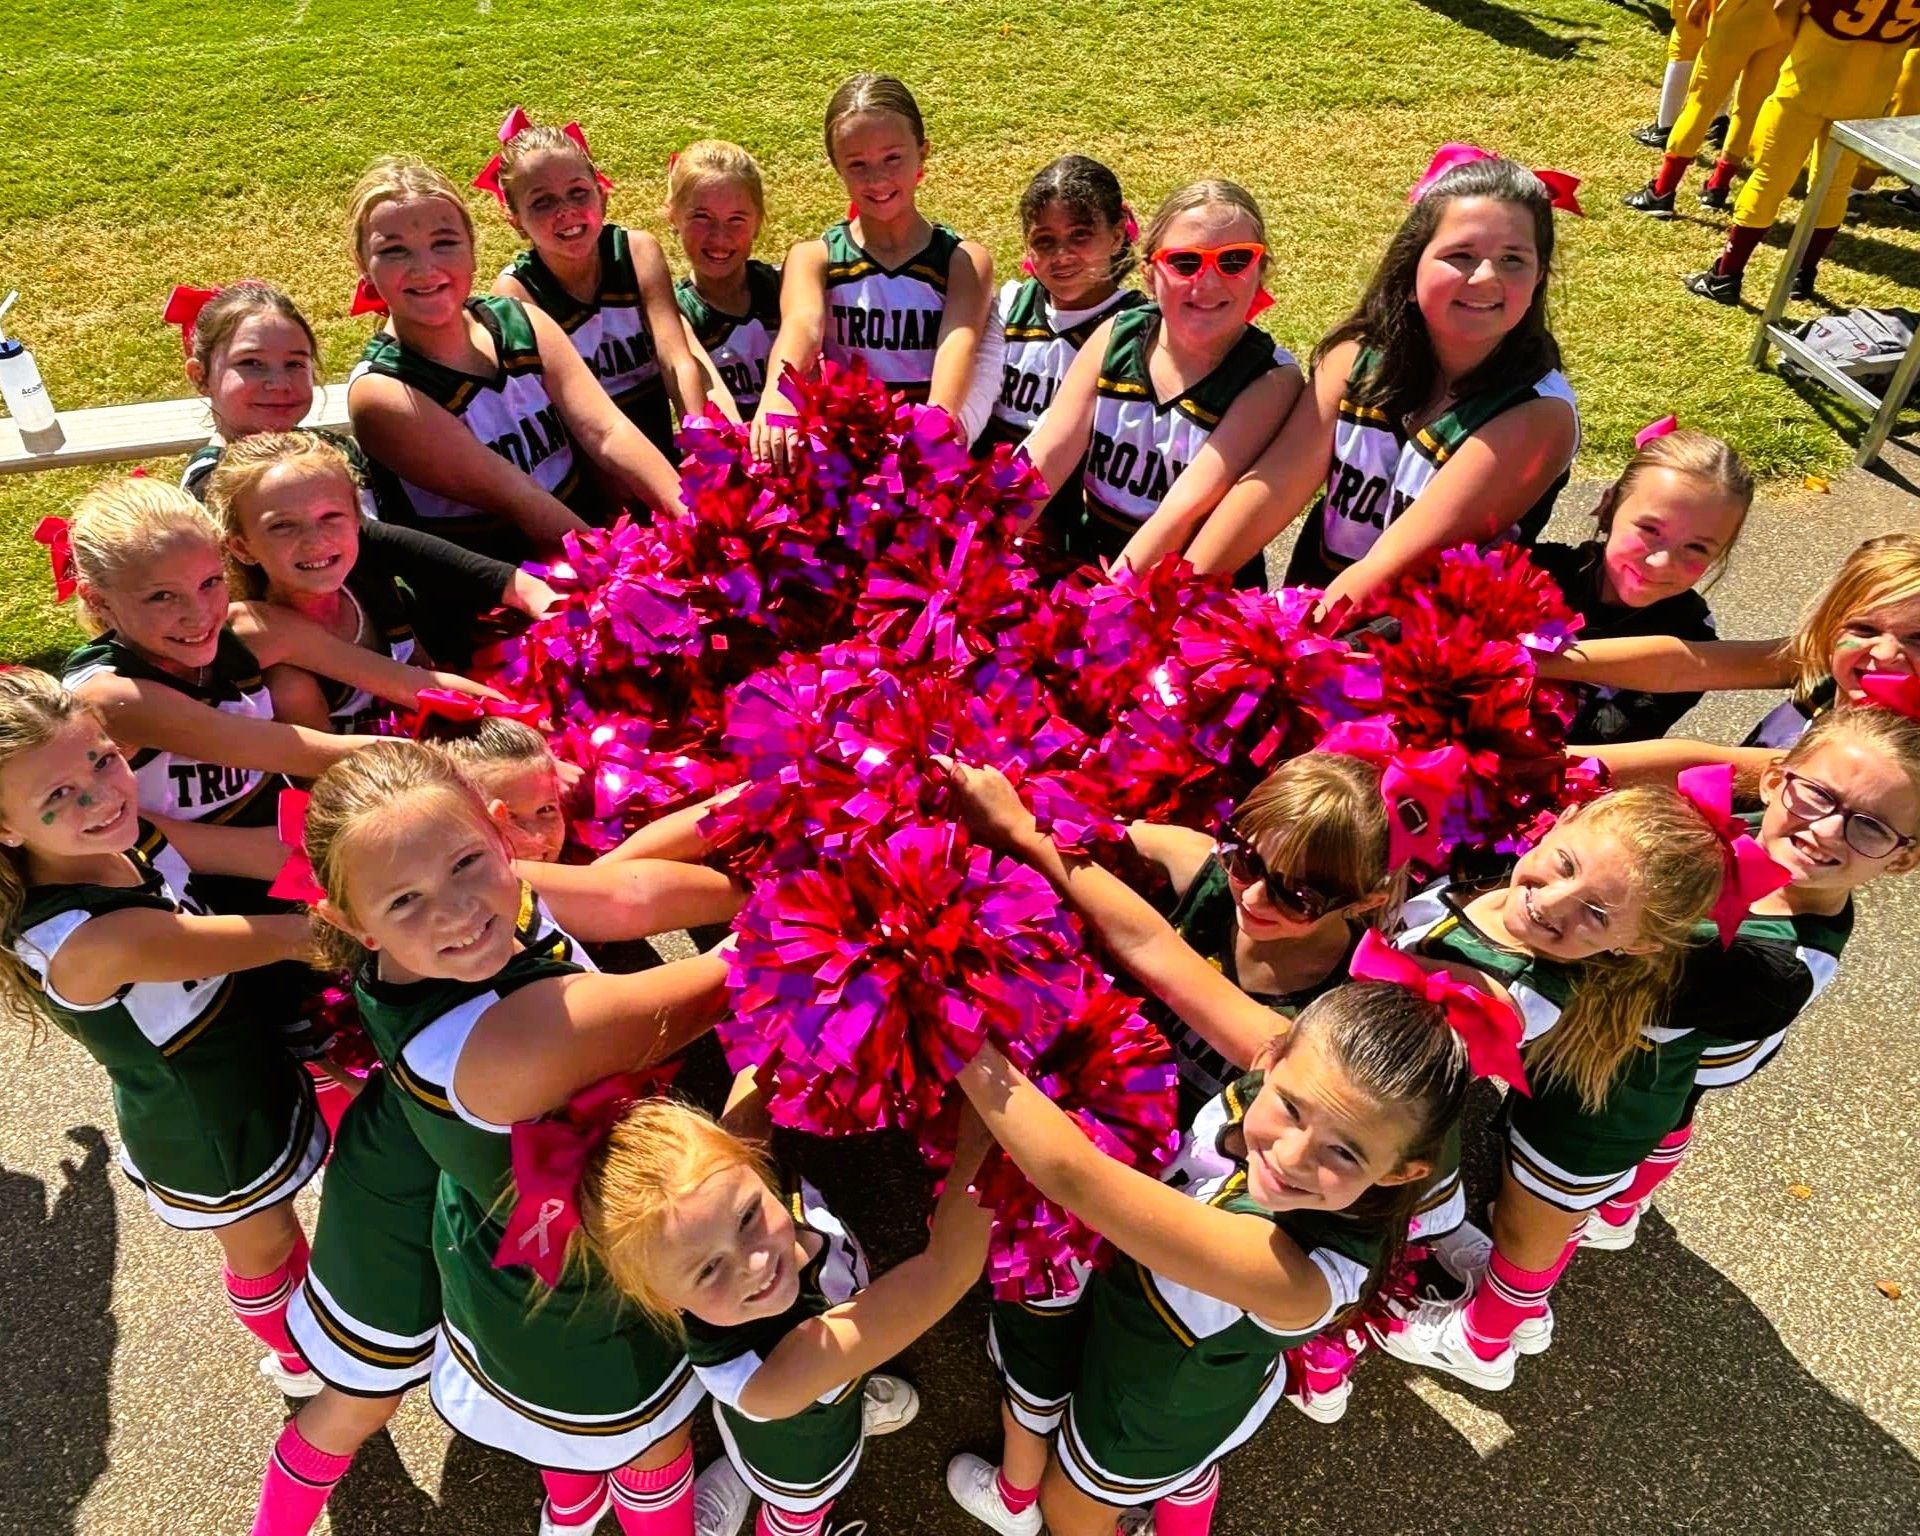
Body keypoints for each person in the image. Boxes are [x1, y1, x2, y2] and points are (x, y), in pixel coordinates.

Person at [943, 754, 1476, 1536]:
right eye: (1245, 861)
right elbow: (1151, 946)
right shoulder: (1316, 1067)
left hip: (1149, 1406)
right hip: (1189, 1343)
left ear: (1404, 1171)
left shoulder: (1293, 1267)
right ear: (1274, 1057)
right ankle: (1187, 1498)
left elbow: (1074, 1177)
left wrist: (951, 1027)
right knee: (1180, 1447)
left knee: (1074, 1505)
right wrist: (1022, 829)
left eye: (1344, 1155)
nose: (1295, 1154)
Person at [298, 739, 744, 1535]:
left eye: (468, 863)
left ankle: (569, 1510)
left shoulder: (491, 905)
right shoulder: (516, 1039)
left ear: (503, 834)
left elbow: (632, 892)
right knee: (652, 1441)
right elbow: (728, 980)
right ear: (350, 923)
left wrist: (789, 793)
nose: (456, 910)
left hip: (498, 1247)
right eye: (404, 903)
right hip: (577, 1283)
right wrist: (840, 884)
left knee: (584, 1456)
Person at [0, 669, 326, 1397]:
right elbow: (293, 936)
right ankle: (303, 1363)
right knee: (264, 1242)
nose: (100, 792)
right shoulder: (96, 939)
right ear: (6, 829)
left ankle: (319, 1336)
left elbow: (259, 861)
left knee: (283, 1229)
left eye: (102, 759)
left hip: (242, 1067)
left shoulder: (122, 832)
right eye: (57, 795)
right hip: (204, 1125)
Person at [1369, 783, 1751, 1389]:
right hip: (1403, 1119)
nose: (1554, 903)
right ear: (1561, 819)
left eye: (1597, 915)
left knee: (1385, 1210)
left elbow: (1373, 1061)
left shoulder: (1507, 991)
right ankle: (1463, 1255)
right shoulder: (1497, 890)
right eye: (1565, 865)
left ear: (1638, 945)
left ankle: (1431, 1310)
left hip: (1380, 1119)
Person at [1120, 150, 1578, 612]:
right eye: (1460, 255)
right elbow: (1271, 488)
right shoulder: (1355, 358)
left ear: (1539, 274)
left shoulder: (1537, 415)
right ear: (1413, 259)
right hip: (1314, 626)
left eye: (1513, 260)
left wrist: (1274, 645)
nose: (1484, 277)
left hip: (1420, 654)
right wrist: (1170, 602)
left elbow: (1390, 567)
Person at [577, 1080, 993, 1536]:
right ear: (664, 1301)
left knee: (829, 1392)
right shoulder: (772, 1379)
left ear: (746, 1158)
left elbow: (771, 1058)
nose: (755, 1262)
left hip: (812, 1388)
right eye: (709, 1269)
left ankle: (830, 1402)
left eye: (749, 1217)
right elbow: (946, 1272)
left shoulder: (715, 1177)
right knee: (796, 1515)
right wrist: (988, 1134)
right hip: (804, 1460)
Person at [1582, 708, 1920, 1253]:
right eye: (1817, 795)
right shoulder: (1744, 834)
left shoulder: (1772, 964)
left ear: (1903, 858)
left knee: (1666, 1098)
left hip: (1688, 1041)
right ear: (1772, 779)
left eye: (1871, 826)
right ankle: (1624, 1200)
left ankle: (1602, 1219)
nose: (1827, 829)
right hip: (1710, 1025)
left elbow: (1610, 980)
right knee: (1680, 1103)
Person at [344, 157, 683, 563]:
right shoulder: (383, 392)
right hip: (501, 601)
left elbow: (607, 431)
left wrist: (695, 519)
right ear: (364, 267)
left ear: (472, 249)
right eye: (394, 251)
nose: (424, 268)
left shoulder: (520, 322)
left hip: (589, 554)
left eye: (444, 242)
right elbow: (522, 500)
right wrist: (629, 580)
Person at [1017, 180, 1301, 583]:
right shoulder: (1117, 336)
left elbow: (1182, 512)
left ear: (1261, 271)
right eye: (1185, 263)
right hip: (1089, 571)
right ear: (1150, 273)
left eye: (1235, 261)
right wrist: (969, 557)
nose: (1207, 284)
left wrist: (1103, 612)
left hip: (1187, 601)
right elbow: (1042, 461)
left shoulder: (1271, 379)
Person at [206, 430, 555, 718]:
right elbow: (333, 785)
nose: (315, 541)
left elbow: (425, 671)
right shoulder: (279, 665)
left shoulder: (368, 584)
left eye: (331, 516)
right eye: (282, 526)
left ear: (359, 518)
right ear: (242, 547)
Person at [750, 74, 997, 466]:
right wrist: (779, 393)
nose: (878, 179)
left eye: (893, 158)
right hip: (842, 463)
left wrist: (934, 428)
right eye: (858, 165)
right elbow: (803, 325)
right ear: (837, 168)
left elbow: (958, 344)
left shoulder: (962, 260)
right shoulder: (815, 257)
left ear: (923, 154)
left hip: (927, 459)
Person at [1535, 530, 1920, 756]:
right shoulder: (1826, 657)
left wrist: (1546, 763)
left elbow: (1708, 764)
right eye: (1865, 629)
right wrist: (1521, 661)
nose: (1884, 655)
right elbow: (1684, 664)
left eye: (1918, 639)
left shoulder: (1897, 753)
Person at [487, 110, 713, 459]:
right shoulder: (516, 293)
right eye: (542, 202)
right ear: (515, 220)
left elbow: (676, 359)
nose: (565, 211)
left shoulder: (637, 253)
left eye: (578, 193)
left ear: (602, 195)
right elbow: (562, 418)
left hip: (663, 453)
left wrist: (702, 445)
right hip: (591, 471)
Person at [1528, 424, 1751, 743]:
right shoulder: (1529, 572)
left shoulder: (1693, 642)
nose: (1660, 563)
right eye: (1650, 529)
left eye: (1696, 547)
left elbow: (1605, 745)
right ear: (1609, 508)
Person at [1686, 0, 1920, 304]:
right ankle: (1802, 274)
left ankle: (1726, 274)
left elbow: (1783, 15)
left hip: (1808, 81)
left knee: (1770, 178)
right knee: (1834, 188)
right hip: (1867, 96)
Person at [978, 155, 1145, 547]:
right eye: (1044, 241)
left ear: (1117, 235)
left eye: (1080, 235)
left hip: (1079, 547)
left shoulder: (1139, 331)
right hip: (993, 519)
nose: (1062, 256)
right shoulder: (1007, 308)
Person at [1623, 0, 1792, 215]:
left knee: (1701, 103)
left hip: (1741, 13)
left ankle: (1662, 191)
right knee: (1750, 109)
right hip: (1786, 21)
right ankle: (1718, 188)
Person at [667, 140, 784, 420]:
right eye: (701, 217)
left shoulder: (783, 287)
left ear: (758, 221)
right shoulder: (675, 312)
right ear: (673, 216)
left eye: (736, 219)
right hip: (728, 455)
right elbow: (708, 395)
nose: (719, 237)